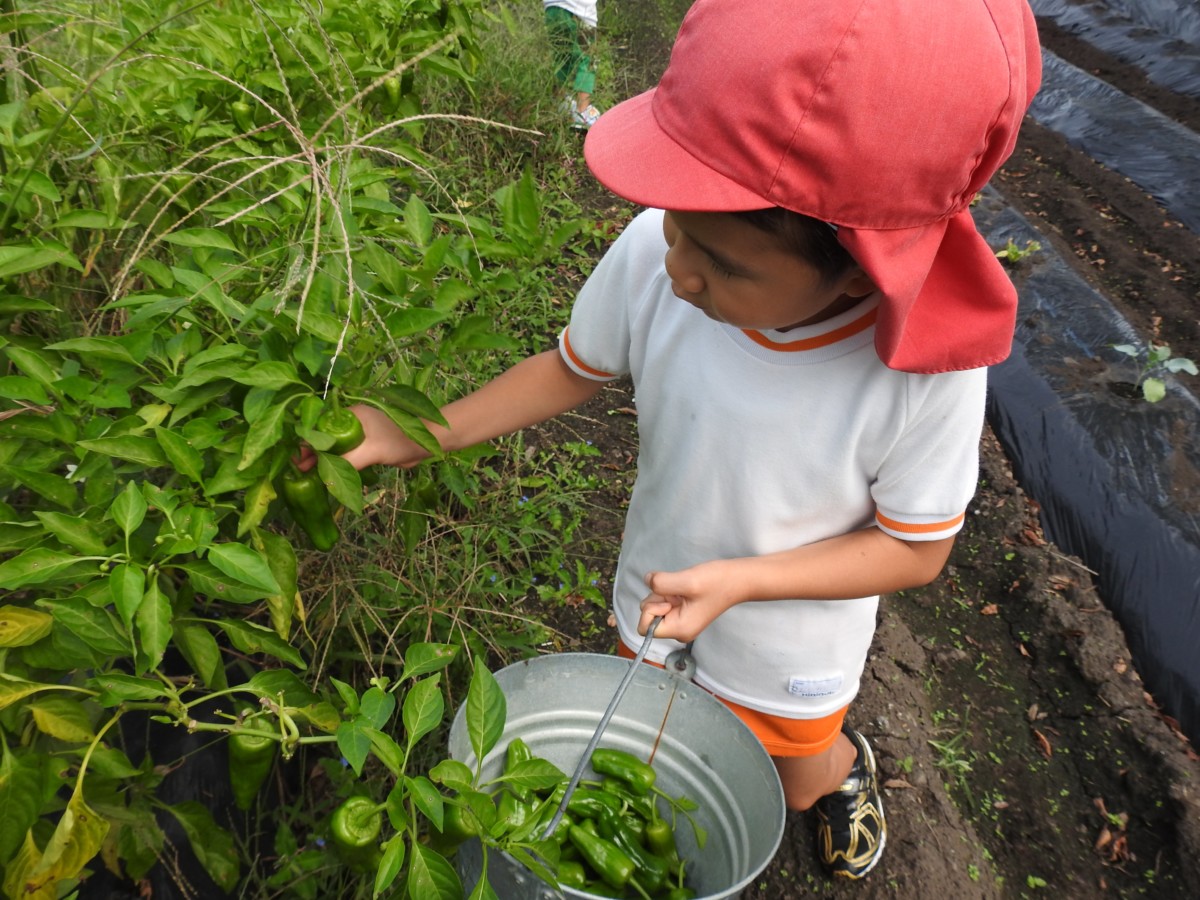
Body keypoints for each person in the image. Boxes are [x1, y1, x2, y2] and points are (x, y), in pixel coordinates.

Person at [320, 0, 1041, 881]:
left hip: (794, 645)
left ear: (863, 263)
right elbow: (570, 368)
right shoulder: (662, 256)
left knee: (789, 764)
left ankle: (839, 770)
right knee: (655, 732)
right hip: (661, 590)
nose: (677, 269)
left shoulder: (926, 372)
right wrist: (410, 436)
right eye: (673, 222)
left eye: (725, 263)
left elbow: (914, 549)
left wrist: (744, 583)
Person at [543, 0, 601, 129]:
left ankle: (560, 101)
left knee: (562, 57)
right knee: (589, 59)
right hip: (580, 12)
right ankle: (582, 113)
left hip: (552, 10)